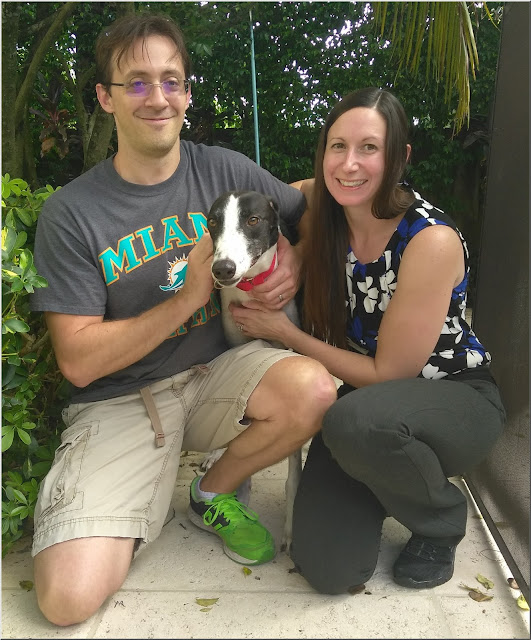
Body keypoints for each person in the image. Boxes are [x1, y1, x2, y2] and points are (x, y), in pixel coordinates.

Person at [29, 13, 337, 626]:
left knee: (314, 388)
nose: (157, 96)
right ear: (104, 98)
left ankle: (211, 491)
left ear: (188, 94)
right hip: (121, 403)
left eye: (171, 80)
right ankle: (134, 496)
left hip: (218, 373)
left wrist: (296, 258)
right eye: (136, 82)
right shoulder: (72, 214)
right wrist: (187, 297)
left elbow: (313, 200)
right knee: (66, 601)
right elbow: (79, 360)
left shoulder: (224, 171)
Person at [231, 87, 506, 594]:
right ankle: (386, 477)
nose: (349, 164)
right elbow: (259, 207)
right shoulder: (325, 200)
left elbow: (388, 375)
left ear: (400, 155)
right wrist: (298, 250)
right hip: (372, 412)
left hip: (453, 397)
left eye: (369, 148)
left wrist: (285, 333)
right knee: (328, 569)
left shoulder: (429, 240)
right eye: (337, 146)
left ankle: (440, 518)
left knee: (351, 418)